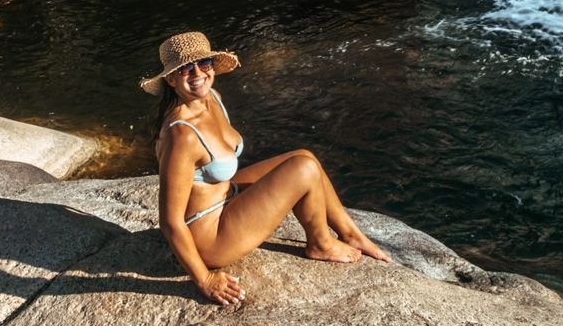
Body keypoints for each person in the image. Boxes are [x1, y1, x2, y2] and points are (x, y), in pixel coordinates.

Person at [141, 31, 391, 306]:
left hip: (226, 197)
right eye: (186, 68)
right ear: (171, 78)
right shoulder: (181, 135)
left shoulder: (212, 97)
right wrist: (205, 280)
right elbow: (170, 221)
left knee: (304, 155)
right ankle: (320, 243)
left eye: (204, 64)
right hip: (210, 238)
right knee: (302, 168)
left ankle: (351, 234)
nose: (198, 73)